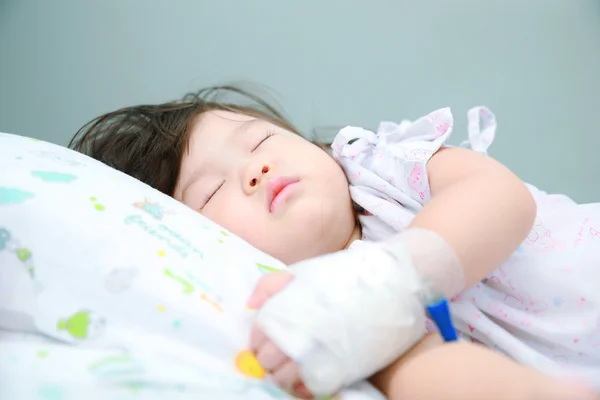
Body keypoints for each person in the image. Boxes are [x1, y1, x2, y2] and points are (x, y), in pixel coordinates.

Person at [70, 86, 600, 400]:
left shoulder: (383, 171)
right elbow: (426, 374)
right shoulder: (320, 307)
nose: (256, 169)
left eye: (258, 140)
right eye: (211, 191)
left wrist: (395, 277)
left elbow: (500, 196)